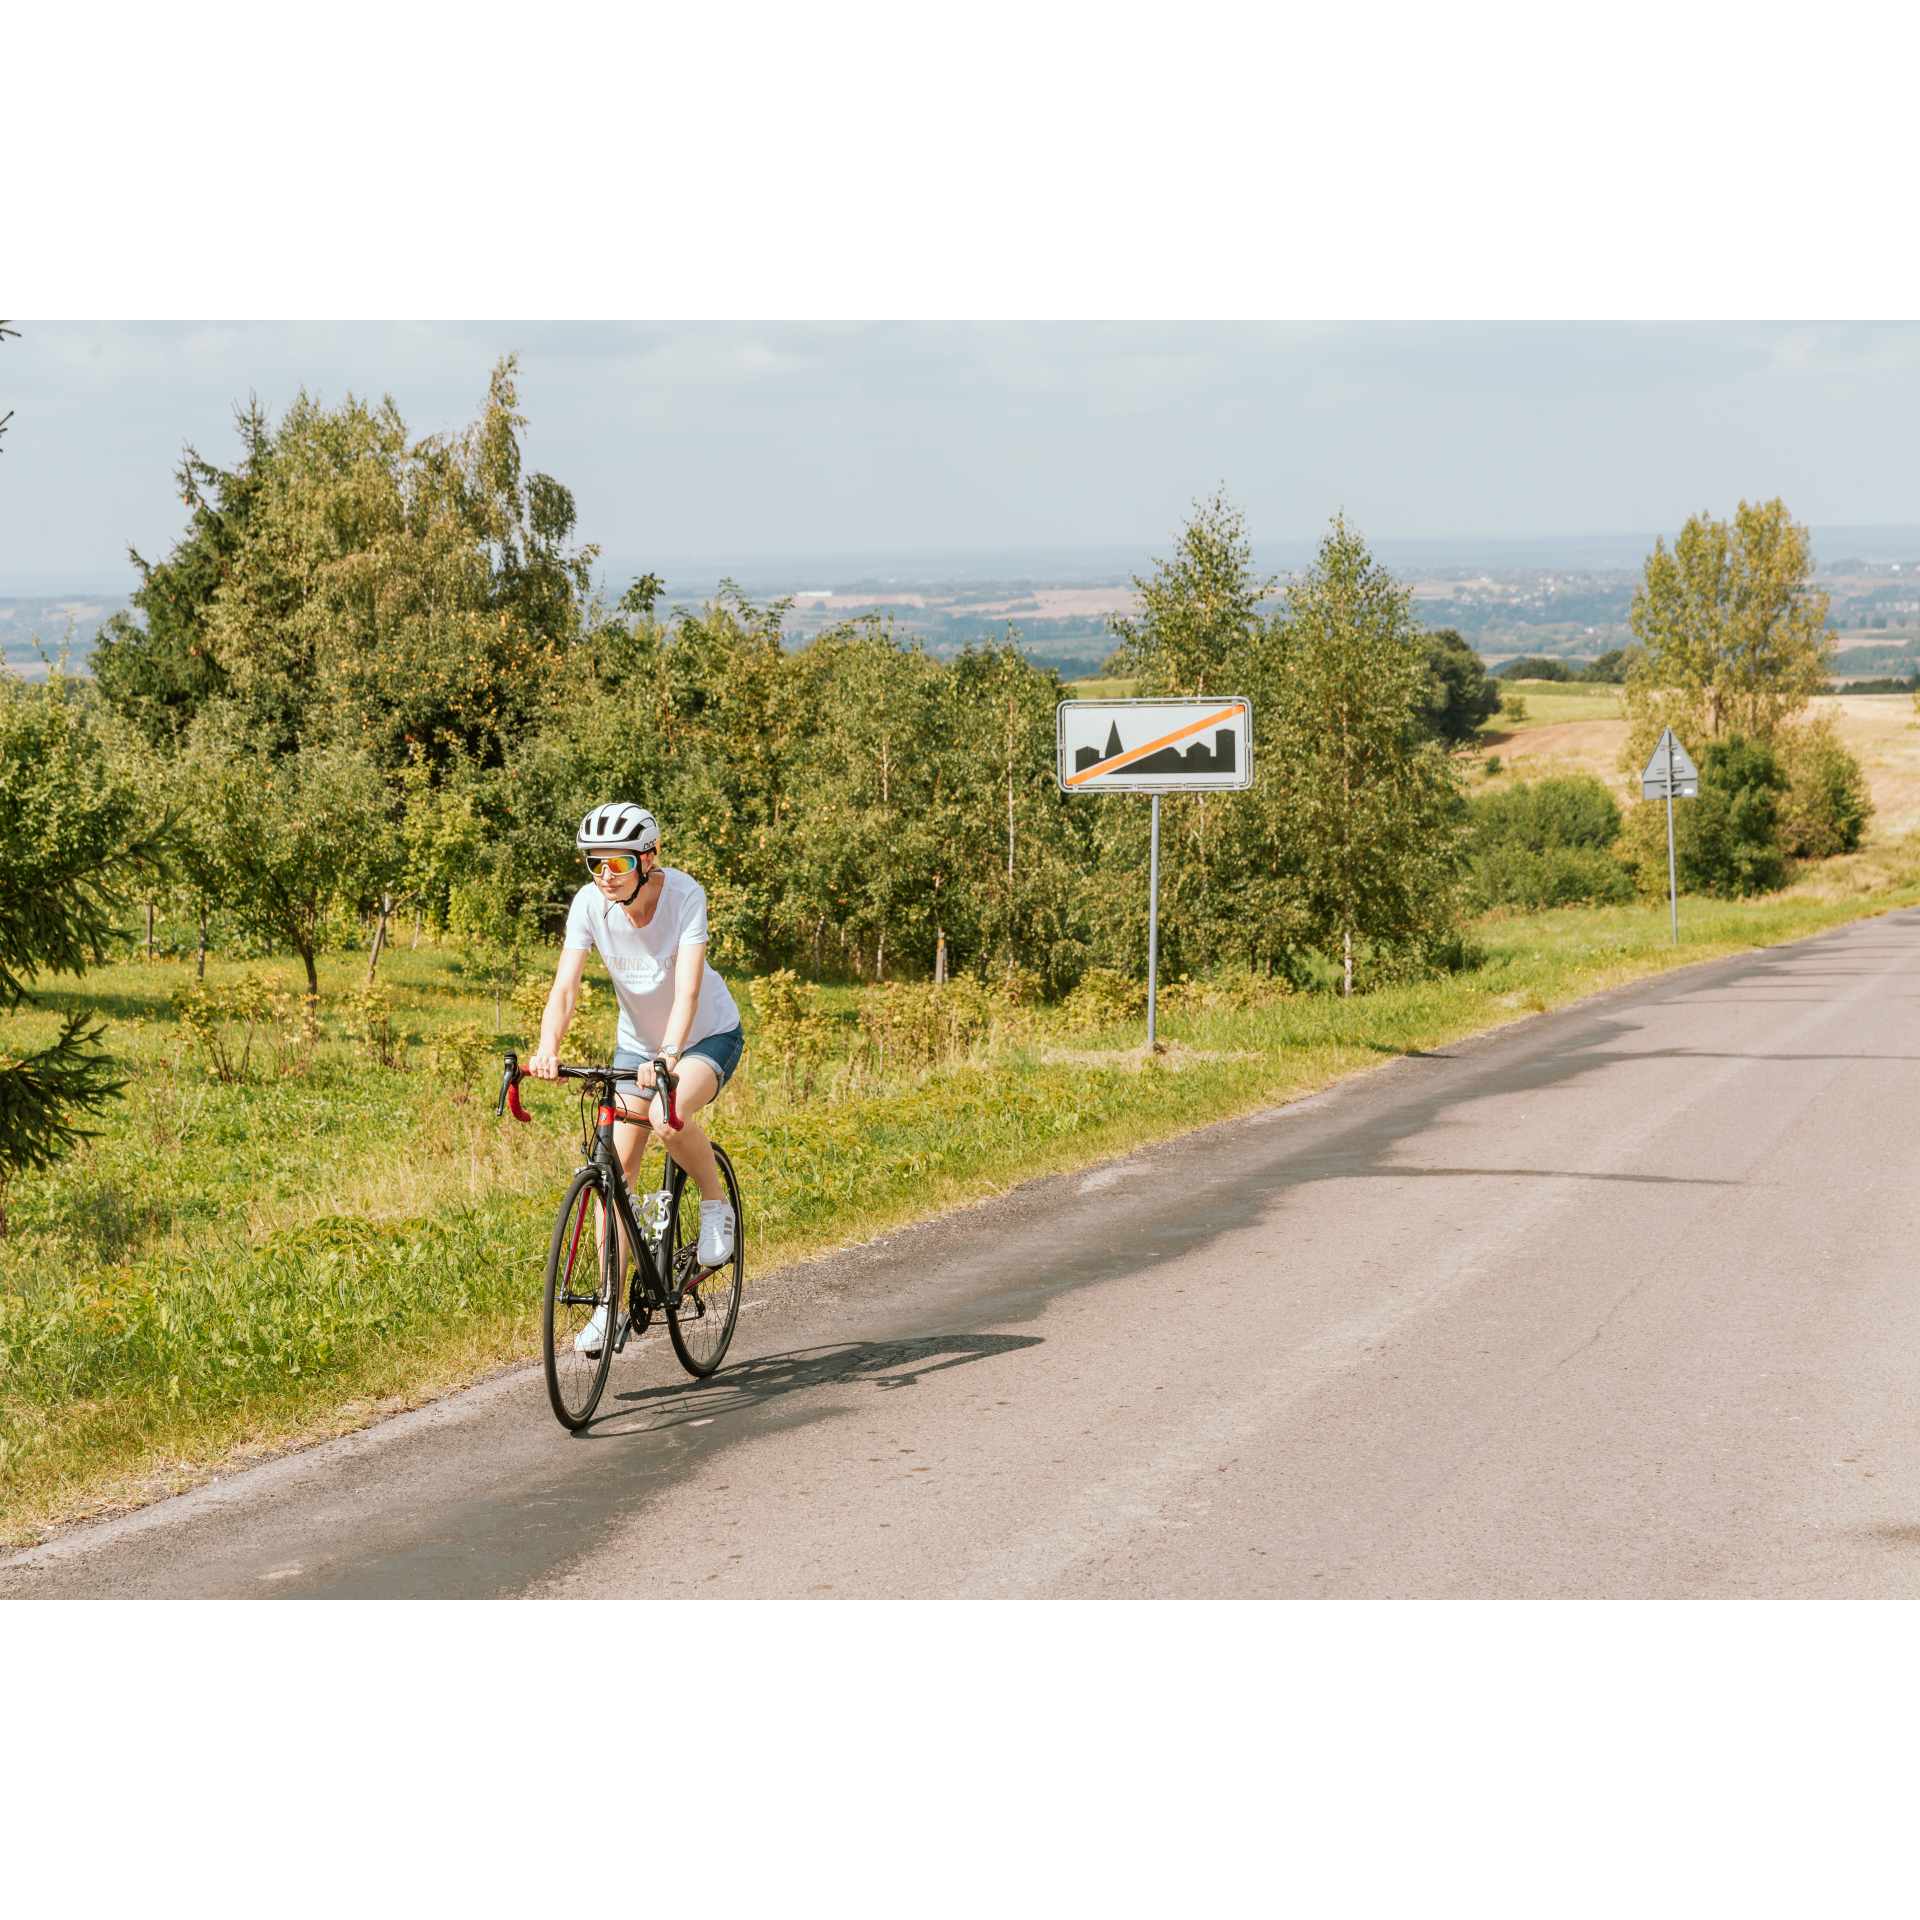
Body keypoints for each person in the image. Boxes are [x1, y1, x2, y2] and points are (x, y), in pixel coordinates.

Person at [528, 802, 746, 1354]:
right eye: (594, 864)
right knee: (615, 1173)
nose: (604, 876)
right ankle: (610, 1307)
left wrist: (671, 1053)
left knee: (667, 1118)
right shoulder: (589, 905)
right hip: (638, 1048)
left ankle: (715, 1204)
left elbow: (690, 990)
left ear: (648, 858)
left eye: (616, 864)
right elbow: (566, 989)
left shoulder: (683, 896)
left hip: (704, 1036)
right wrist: (546, 1049)